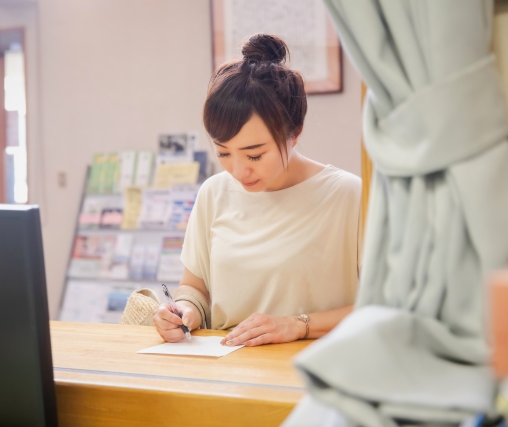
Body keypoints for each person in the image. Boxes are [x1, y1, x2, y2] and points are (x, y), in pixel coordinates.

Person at [153, 34, 361, 347]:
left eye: (254, 155)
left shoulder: (348, 195)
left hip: (314, 371)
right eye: (223, 153)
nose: (238, 171)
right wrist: (184, 311)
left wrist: (298, 325)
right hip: (225, 371)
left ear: (295, 132)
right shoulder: (214, 193)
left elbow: (388, 304)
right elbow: (194, 288)